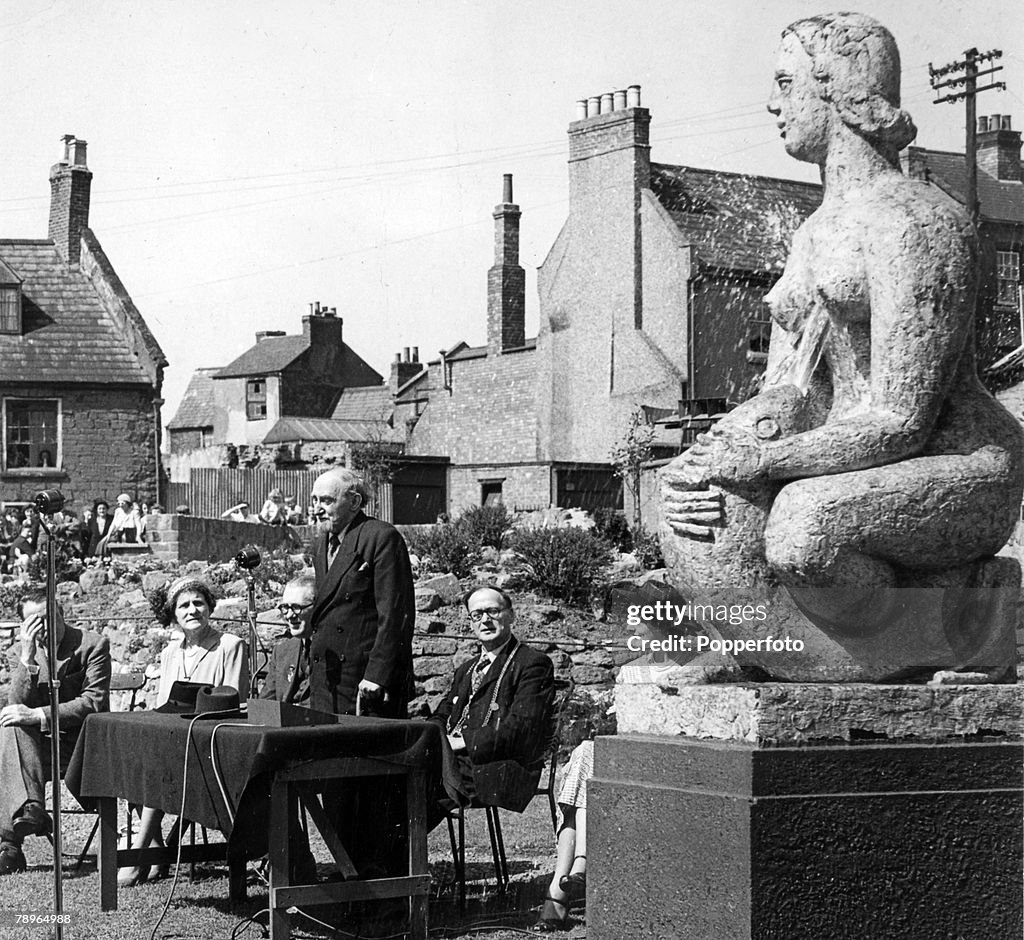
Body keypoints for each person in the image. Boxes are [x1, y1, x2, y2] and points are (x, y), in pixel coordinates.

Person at [662, 13, 1024, 629]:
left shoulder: (918, 222)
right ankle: (780, 652)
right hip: (847, 454)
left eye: (785, 83)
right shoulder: (811, 233)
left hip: (959, 464)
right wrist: (705, 454)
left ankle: (941, 628)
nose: (771, 104)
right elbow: (789, 390)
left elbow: (902, 420)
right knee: (696, 514)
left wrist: (763, 462)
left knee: (805, 527)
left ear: (839, 90)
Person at [118, 577, 249, 887]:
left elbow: (234, 701)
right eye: (184, 606)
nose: (192, 610)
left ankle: (138, 853)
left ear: (210, 607)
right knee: (132, 764)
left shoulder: (229, 645)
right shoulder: (170, 652)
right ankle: (159, 850)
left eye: (198, 603)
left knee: (158, 767)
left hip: (212, 743)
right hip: (175, 740)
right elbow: (165, 707)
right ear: (174, 614)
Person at [0, 592, 111, 875]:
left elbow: (93, 703)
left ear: (61, 614)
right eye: (34, 621)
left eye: (49, 618)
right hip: (39, 751)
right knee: (11, 725)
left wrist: (39, 715)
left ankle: (12, 841)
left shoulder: (92, 645)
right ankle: (31, 810)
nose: (44, 626)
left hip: (81, 743)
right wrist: (27, 656)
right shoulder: (21, 651)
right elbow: (17, 703)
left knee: (13, 734)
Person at [431, 586, 555, 818]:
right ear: (470, 623)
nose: (485, 620)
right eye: (477, 615)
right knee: (398, 774)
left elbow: (522, 728)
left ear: (511, 615)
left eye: (493, 611)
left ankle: (395, 852)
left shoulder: (532, 664)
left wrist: (461, 743)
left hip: (498, 768)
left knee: (417, 783)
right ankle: (392, 852)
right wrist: (430, 738)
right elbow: (442, 715)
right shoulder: (466, 670)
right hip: (458, 763)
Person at [308, 468, 415, 718]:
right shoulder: (321, 543)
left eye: (327, 500)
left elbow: (396, 616)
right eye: (314, 500)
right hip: (327, 677)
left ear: (355, 502)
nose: (317, 508)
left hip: (364, 682)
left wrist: (377, 675)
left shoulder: (381, 537)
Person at [259, 574, 316, 705]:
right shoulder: (281, 652)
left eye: (296, 607)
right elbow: (265, 703)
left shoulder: (334, 650)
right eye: (285, 608)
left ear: (316, 607)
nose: (289, 615)